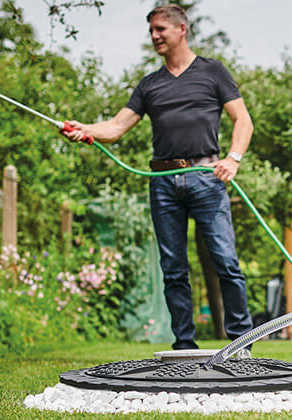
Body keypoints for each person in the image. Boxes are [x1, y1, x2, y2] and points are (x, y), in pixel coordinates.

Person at [61, 4, 254, 350]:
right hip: (163, 182)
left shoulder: (213, 72)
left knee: (225, 261)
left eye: (160, 29)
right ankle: (184, 345)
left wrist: (233, 159)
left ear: (182, 29)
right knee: (174, 268)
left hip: (206, 177)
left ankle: (240, 343)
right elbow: (117, 127)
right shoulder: (150, 85)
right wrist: (83, 128)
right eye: (151, 31)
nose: (154, 36)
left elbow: (243, 120)